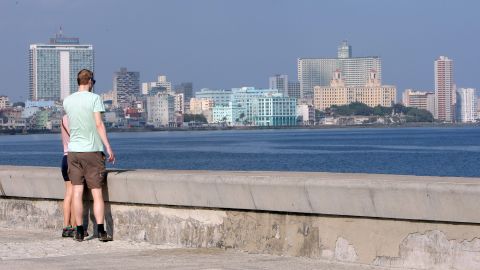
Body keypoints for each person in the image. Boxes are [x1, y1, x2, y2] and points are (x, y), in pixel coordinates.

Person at [63, 69, 115, 242]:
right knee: (97, 193)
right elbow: (99, 124)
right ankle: (100, 231)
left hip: (73, 152)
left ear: (78, 81)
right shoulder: (95, 98)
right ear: (90, 81)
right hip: (92, 150)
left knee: (77, 192)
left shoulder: (68, 101)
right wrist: (108, 147)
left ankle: (79, 231)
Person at [60, 114, 75, 237]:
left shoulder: (63, 118)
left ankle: (66, 227)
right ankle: (75, 226)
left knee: (68, 193)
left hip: (65, 158)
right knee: (76, 193)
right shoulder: (77, 117)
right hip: (74, 158)